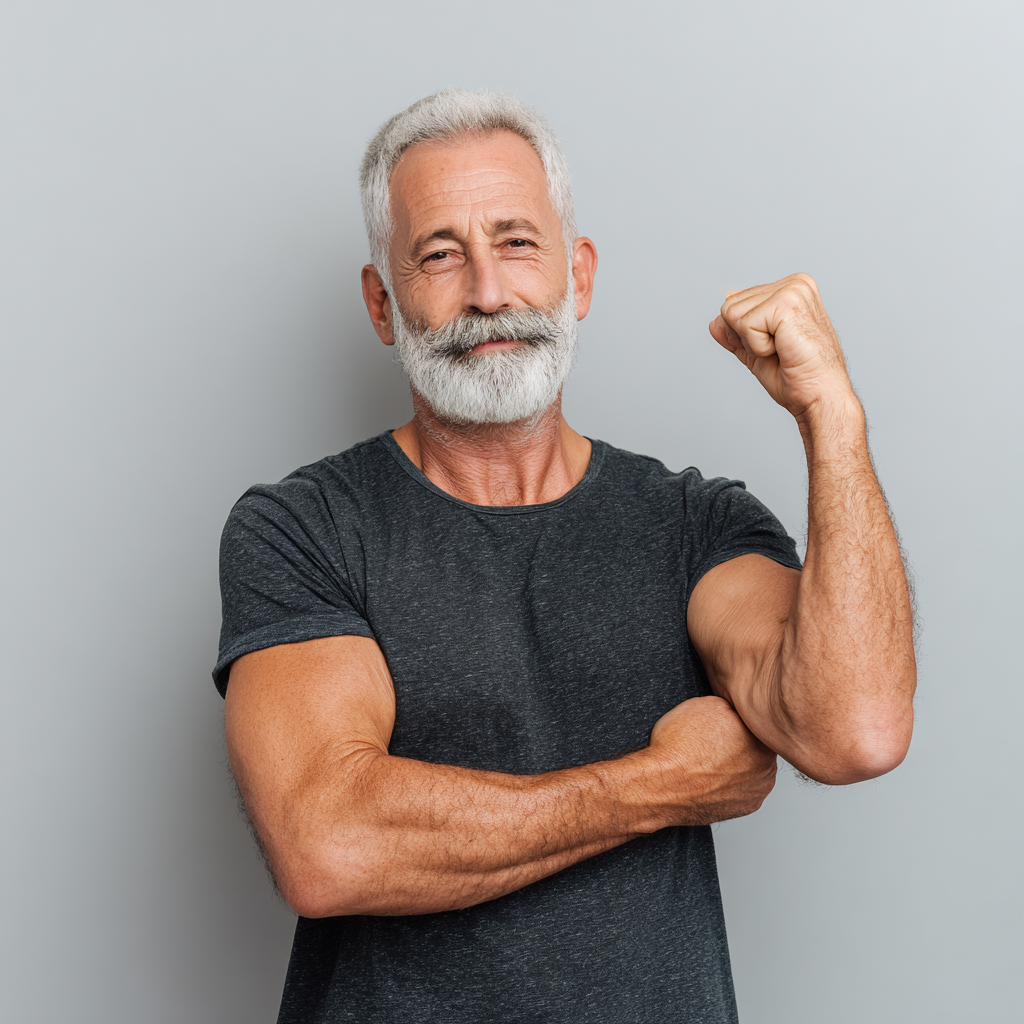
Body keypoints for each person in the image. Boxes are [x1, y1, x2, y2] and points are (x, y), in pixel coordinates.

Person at [215, 90, 916, 1023]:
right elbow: (328, 843)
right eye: (439, 254)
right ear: (383, 304)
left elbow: (855, 729)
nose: (488, 293)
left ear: (577, 277)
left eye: (516, 242)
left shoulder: (692, 524)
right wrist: (656, 785)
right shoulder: (302, 528)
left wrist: (834, 420)